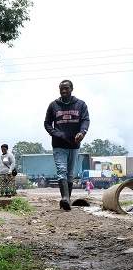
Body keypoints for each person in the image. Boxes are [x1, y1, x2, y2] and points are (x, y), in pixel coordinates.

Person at [44, 79, 90, 211]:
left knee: (70, 174)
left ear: (72, 89)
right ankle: (64, 198)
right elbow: (47, 123)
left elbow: (85, 120)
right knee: (61, 170)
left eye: (66, 88)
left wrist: (82, 132)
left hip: (74, 145)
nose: (64, 91)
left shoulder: (80, 104)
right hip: (59, 145)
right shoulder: (53, 105)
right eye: (61, 89)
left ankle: (67, 200)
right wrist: (55, 133)